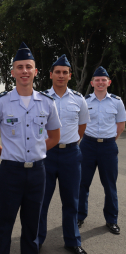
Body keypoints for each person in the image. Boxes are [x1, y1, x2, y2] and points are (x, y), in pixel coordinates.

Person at [0, 42, 61, 254]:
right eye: (20, 67)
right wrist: (6, 153)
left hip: (37, 173)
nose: (24, 71)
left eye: (28, 67)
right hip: (10, 173)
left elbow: (55, 136)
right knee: (3, 227)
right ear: (13, 71)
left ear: (36, 71)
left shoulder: (47, 102)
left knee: (32, 228)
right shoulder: (1, 103)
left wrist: (37, 152)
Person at [38, 55, 89, 254]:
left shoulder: (79, 99)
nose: (61, 75)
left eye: (65, 72)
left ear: (70, 76)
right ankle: (37, 239)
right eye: (57, 72)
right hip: (46, 155)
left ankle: (72, 241)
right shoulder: (40, 98)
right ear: (51, 75)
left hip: (70, 155)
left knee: (71, 201)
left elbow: (82, 126)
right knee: (41, 201)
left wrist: (71, 143)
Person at [78, 66, 126, 235]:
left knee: (110, 185)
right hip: (88, 146)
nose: (100, 82)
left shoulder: (117, 101)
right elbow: (80, 124)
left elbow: (120, 125)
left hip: (108, 147)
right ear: (92, 83)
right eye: (97, 80)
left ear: (109, 82)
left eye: (103, 80)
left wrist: (110, 141)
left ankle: (111, 220)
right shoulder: (85, 101)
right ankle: (79, 216)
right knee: (82, 184)